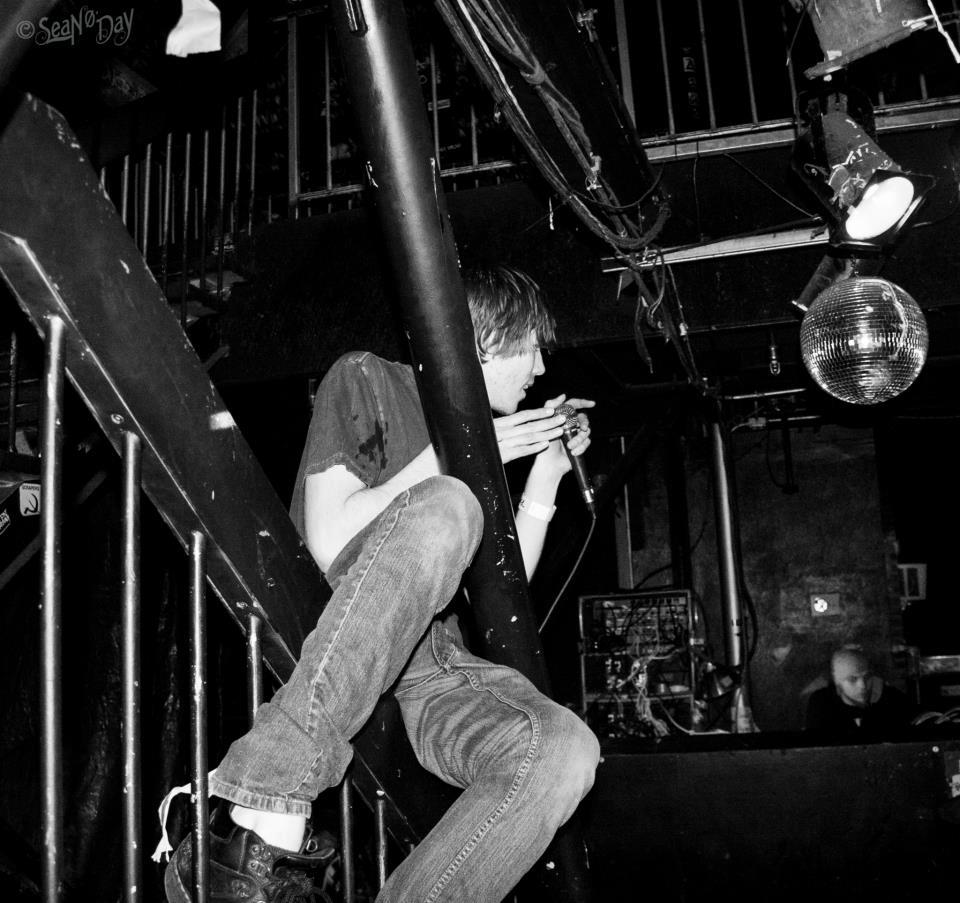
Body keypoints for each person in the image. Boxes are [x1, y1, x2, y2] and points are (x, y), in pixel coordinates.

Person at [161, 265, 601, 903]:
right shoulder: (368, 377)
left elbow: (503, 604)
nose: (540, 367)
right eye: (531, 345)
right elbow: (330, 538)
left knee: (566, 748)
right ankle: (262, 805)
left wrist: (546, 476)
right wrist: (459, 460)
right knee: (451, 503)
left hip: (433, 661)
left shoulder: (483, 453)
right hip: (358, 617)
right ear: (485, 337)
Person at [804, 647, 913, 737]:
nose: (863, 685)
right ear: (837, 682)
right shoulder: (821, 702)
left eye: (866, 677)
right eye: (852, 679)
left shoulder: (888, 696)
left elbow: (921, 717)